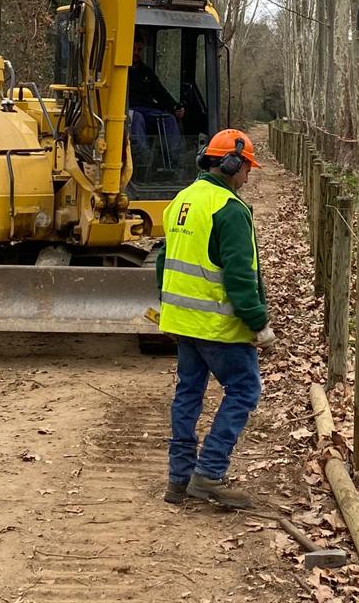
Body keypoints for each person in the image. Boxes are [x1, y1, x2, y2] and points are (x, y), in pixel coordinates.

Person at [156, 129, 276, 509]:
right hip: (217, 326)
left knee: (188, 394)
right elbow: (240, 277)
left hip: (182, 322)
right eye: (246, 168)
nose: (248, 176)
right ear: (231, 163)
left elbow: (163, 262)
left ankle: (178, 480)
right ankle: (209, 473)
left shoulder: (181, 201)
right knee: (244, 390)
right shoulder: (230, 209)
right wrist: (259, 322)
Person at [128, 31, 185, 161]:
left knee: (168, 119)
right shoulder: (120, 71)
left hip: (147, 110)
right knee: (137, 118)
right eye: (133, 49)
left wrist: (175, 106)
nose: (136, 52)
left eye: (139, 49)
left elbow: (160, 92)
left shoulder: (146, 72)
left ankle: (175, 159)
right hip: (128, 110)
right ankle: (142, 157)